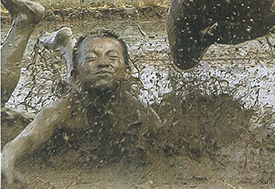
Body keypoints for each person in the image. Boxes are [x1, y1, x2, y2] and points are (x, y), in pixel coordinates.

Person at [1, 28, 161, 185]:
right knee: (77, 84)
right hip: (80, 88)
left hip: (85, 80)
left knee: (86, 76)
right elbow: (29, 137)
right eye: (92, 58)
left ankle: (67, 43)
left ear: (127, 73)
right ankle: (67, 44)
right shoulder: (64, 109)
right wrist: (8, 156)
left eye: (112, 57)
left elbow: (163, 138)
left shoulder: (137, 110)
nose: (103, 63)